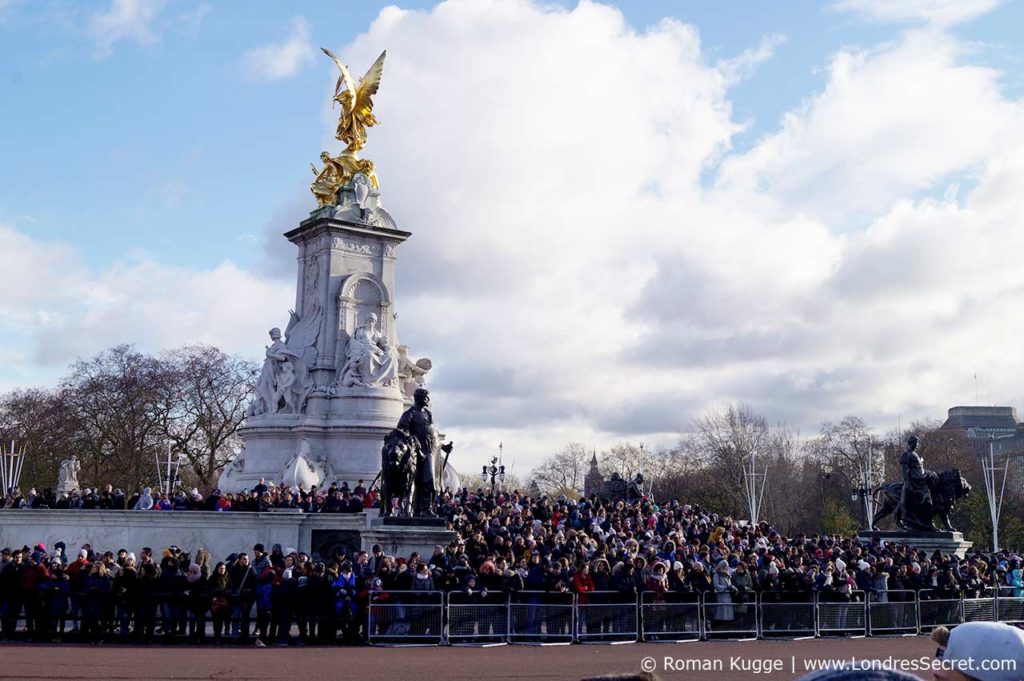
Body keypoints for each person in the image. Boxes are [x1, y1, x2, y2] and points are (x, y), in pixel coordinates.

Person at [396, 388, 453, 516]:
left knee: (430, 482)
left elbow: (434, 436)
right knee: (425, 481)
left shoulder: (429, 414)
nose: (428, 399)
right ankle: (422, 509)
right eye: (426, 397)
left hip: (430, 452)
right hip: (416, 454)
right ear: (419, 398)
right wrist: (413, 440)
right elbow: (401, 432)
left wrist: (443, 447)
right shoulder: (409, 414)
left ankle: (423, 508)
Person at [898, 435, 938, 531]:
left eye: (918, 442)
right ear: (911, 443)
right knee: (927, 503)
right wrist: (908, 483)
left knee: (931, 500)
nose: (917, 444)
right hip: (914, 483)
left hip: (922, 482)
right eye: (916, 442)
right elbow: (904, 470)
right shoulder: (906, 454)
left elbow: (919, 470)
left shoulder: (916, 455)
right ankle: (927, 523)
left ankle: (925, 523)